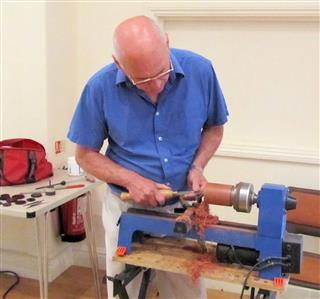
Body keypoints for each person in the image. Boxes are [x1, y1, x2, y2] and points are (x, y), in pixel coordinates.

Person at [68, 15, 228, 299]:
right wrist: (131, 180)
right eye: (141, 80)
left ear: (167, 44)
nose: (155, 86)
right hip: (125, 211)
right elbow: (85, 155)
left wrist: (198, 166)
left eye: (161, 74)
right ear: (118, 64)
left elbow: (215, 128)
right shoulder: (100, 87)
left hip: (183, 208)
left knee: (186, 292)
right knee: (124, 291)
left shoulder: (200, 71)